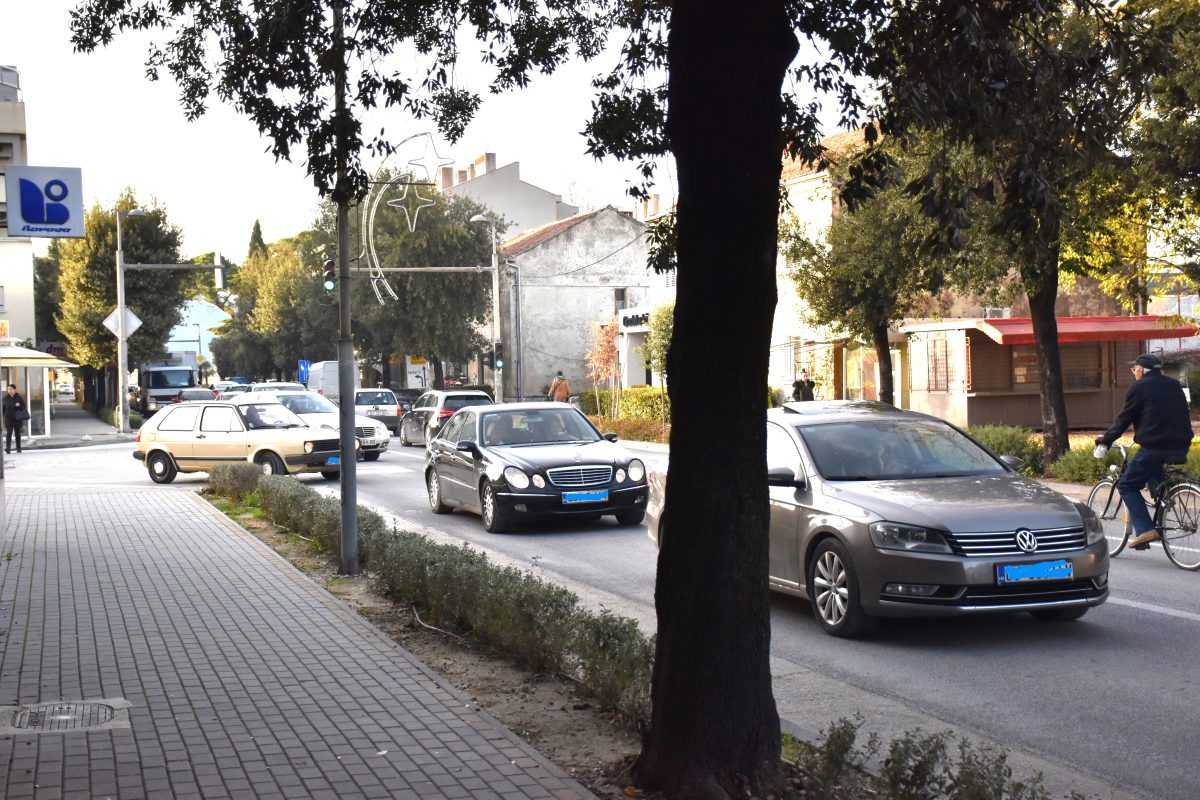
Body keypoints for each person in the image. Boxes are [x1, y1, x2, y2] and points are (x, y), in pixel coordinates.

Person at [1096, 353, 1194, 549]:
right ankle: (1163, 496)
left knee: (1126, 485)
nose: (1134, 373)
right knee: (1150, 466)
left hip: (1155, 446)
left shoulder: (1139, 387)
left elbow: (1124, 419)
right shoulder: (1174, 385)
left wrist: (1105, 441)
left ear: (1140, 370)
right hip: (1181, 445)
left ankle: (1145, 529)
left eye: (1134, 370)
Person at [3, 384, 26, 454]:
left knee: (17, 434)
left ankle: (18, 448)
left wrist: (19, 405)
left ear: (14, 390)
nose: (9, 390)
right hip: (8, 419)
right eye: (8, 389)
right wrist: (4, 416)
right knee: (9, 434)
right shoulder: (5, 398)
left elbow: (23, 406)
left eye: (10, 389)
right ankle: (8, 448)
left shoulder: (19, 397)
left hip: (17, 419)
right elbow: (3, 408)